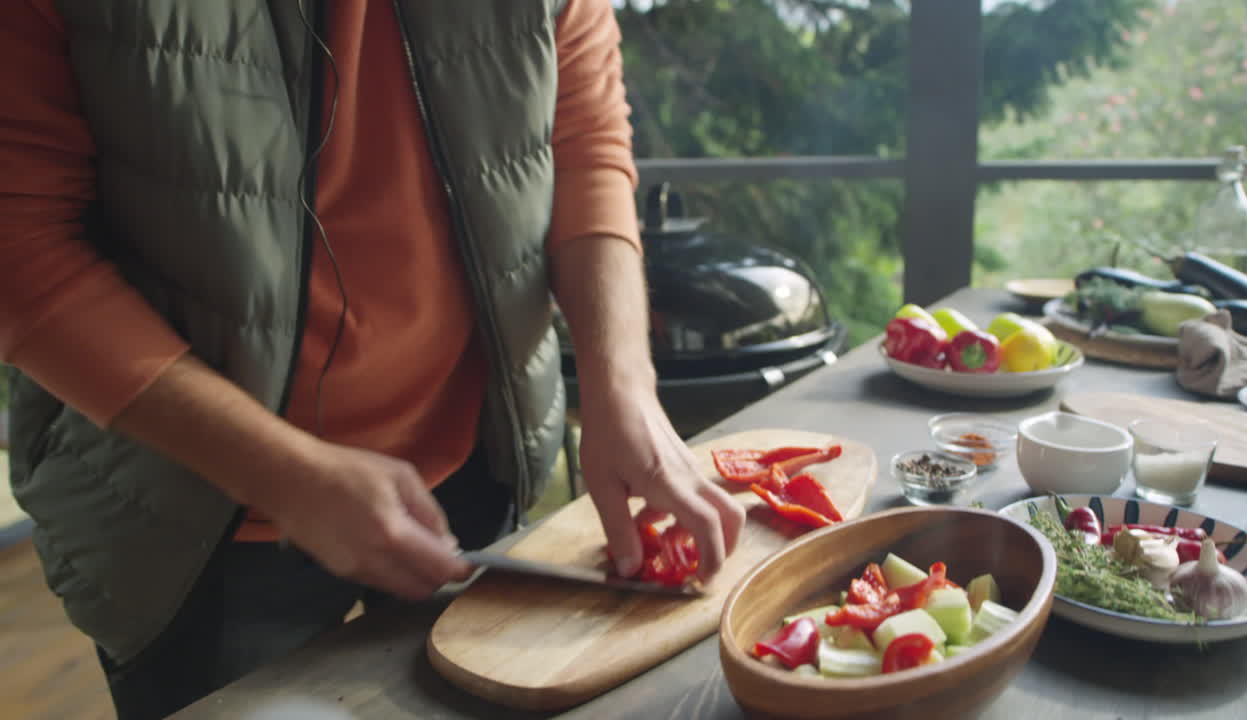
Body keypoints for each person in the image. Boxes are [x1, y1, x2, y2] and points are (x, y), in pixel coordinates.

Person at [0, 2, 745, 718]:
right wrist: (279, 471)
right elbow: (19, 250)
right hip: (193, 530)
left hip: (475, 472)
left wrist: (625, 388)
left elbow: (585, 145)